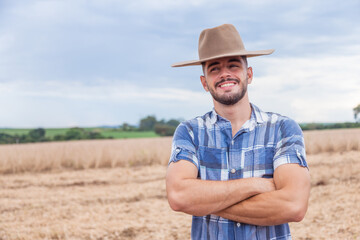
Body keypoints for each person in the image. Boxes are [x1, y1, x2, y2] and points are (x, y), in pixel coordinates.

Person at [166, 24, 311, 240]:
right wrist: (258, 185)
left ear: (249, 74)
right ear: (204, 83)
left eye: (233, 66)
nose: (224, 74)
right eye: (214, 68)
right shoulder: (190, 132)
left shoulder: (282, 128)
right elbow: (179, 196)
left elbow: (293, 205)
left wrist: (202, 202)